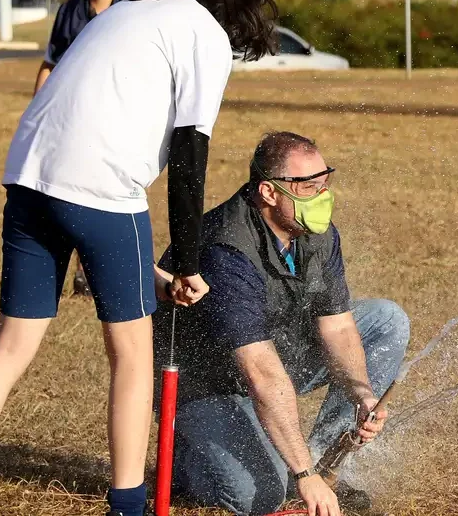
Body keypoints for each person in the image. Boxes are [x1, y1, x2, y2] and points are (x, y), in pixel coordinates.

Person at [0, 0, 277, 516]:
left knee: (11, 343)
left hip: (30, 174)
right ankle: (129, 505)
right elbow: (190, 155)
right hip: (102, 187)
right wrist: (186, 263)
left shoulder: (129, 10)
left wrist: (160, 272)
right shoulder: (204, 34)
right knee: (132, 354)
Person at [152, 132, 410, 516]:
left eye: (324, 183)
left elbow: (337, 326)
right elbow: (261, 372)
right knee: (259, 496)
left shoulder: (314, 232)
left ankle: (322, 464)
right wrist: (302, 473)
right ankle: (190, 461)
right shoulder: (225, 250)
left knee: (385, 319)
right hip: (208, 383)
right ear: (269, 193)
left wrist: (363, 395)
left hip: (274, 349)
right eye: (308, 187)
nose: (322, 197)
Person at [32, 0, 127, 297]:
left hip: (115, 117)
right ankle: (79, 274)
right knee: (72, 191)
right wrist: (37, 112)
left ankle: (102, 270)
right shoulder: (69, 12)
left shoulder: (130, 11)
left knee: (108, 193)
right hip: (71, 117)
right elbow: (51, 62)